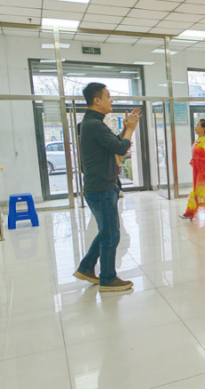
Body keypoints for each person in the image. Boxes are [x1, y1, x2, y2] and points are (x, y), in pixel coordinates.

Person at [73, 82, 141, 292]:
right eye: (108, 96)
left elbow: (113, 144)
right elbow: (120, 148)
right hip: (102, 187)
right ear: (97, 100)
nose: (111, 100)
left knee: (106, 231)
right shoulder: (94, 124)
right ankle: (108, 279)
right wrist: (130, 130)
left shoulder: (93, 123)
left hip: (100, 185)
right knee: (111, 234)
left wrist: (125, 129)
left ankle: (86, 268)